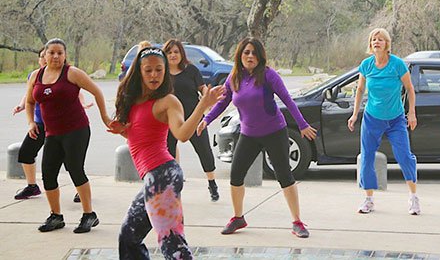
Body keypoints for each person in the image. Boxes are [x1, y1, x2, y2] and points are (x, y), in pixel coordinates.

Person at [108, 46, 224, 259]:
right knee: (128, 236)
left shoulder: (168, 101)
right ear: (139, 71)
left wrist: (203, 105)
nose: (154, 75)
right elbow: (143, 139)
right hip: (153, 177)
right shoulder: (135, 100)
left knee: (172, 242)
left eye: (159, 70)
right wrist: (124, 131)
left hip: (163, 175)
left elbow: (182, 134)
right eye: (149, 70)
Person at [197, 37, 317, 238]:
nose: (250, 56)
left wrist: (303, 124)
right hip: (248, 134)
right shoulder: (233, 77)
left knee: (285, 176)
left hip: (274, 132)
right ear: (240, 55)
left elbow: (287, 99)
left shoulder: (268, 75)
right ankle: (238, 218)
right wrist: (206, 120)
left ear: (260, 56)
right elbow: (222, 102)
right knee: (236, 176)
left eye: (254, 53)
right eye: (246, 52)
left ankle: (297, 222)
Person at [24, 38, 111, 233]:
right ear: (44, 55)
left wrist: (105, 117)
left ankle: (89, 214)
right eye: (51, 52)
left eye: (59, 53)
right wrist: (31, 122)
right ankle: (56, 216)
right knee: (48, 173)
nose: (55, 56)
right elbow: (29, 102)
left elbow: (96, 91)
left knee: (75, 169)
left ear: (65, 55)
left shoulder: (72, 73)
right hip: (52, 132)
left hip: (76, 130)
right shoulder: (36, 76)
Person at [347, 28, 420, 215]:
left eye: (380, 39)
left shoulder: (397, 64)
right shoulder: (366, 65)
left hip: (396, 119)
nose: (376, 42)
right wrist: (355, 114)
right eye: (373, 39)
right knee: (367, 157)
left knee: (404, 156)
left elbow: (410, 89)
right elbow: (360, 90)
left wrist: (411, 113)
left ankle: (413, 198)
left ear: (387, 44)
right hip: (372, 118)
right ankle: (369, 199)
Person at [12, 48, 93, 201]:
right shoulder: (35, 75)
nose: (45, 59)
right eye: (42, 56)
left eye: (47, 55)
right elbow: (28, 96)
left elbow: (77, 92)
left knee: (71, 164)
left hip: (61, 127)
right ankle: (32, 186)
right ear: (39, 59)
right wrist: (22, 106)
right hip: (40, 125)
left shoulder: (65, 74)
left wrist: (82, 104)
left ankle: (80, 190)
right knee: (26, 153)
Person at [164, 38, 219, 201]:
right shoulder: (162, 73)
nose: (173, 55)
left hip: (194, 117)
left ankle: (212, 183)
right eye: (169, 52)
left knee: (205, 152)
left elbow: (202, 87)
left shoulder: (191, 71)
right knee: (168, 152)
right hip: (171, 120)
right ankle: (172, 186)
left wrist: (207, 95)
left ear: (182, 54)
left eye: (176, 52)